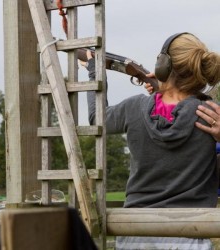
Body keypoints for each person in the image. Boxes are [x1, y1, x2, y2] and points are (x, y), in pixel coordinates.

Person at [80, 32, 220, 250]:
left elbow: (97, 119)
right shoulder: (212, 114)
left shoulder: (135, 108)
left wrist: (93, 72)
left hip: (135, 232)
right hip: (192, 232)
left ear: (163, 65)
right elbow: (183, 109)